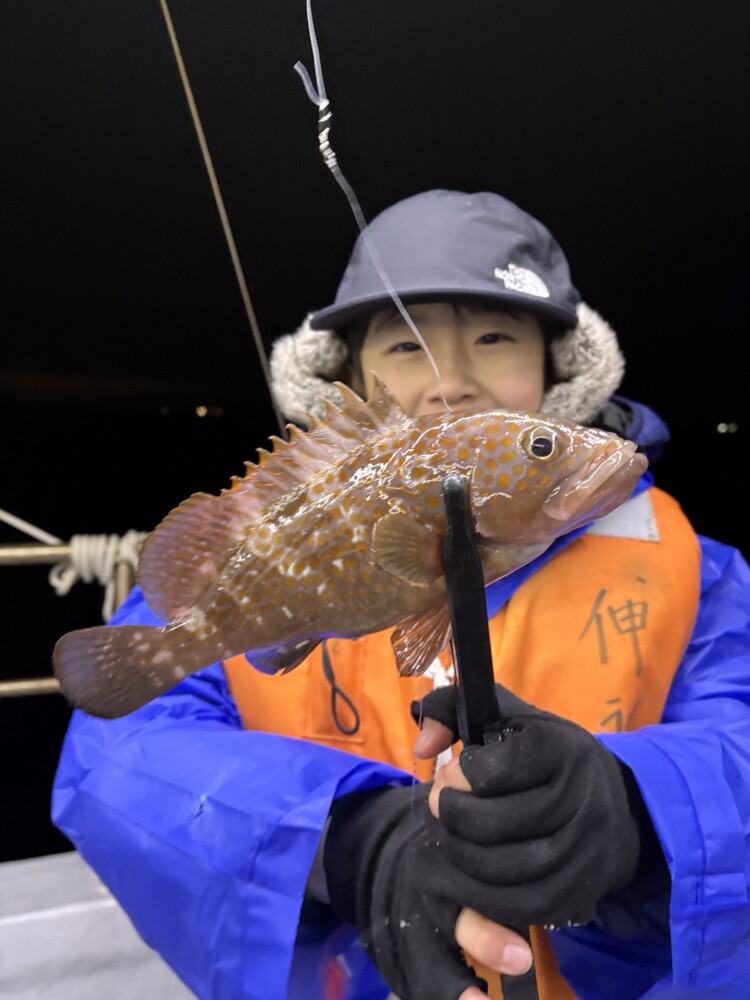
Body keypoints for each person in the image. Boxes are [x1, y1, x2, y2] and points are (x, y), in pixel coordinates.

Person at [52, 189, 750, 1000]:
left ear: (558, 366)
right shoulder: (274, 539)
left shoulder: (700, 572)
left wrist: (634, 804)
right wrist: (346, 843)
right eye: (406, 343)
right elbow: (116, 753)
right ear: (350, 374)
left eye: (494, 336)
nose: (450, 381)